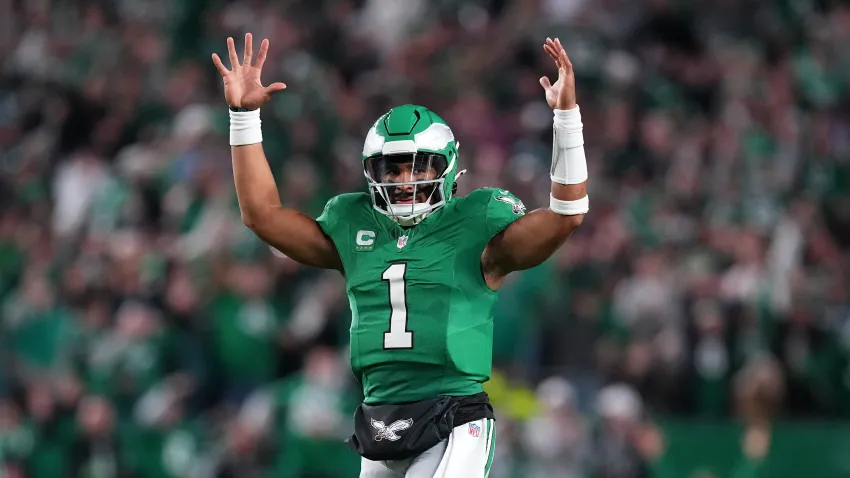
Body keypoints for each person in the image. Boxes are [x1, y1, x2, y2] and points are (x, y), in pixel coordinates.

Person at [211, 33, 588, 478]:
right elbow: (262, 215)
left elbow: (566, 215)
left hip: (453, 416)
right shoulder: (353, 223)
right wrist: (243, 117)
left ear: (446, 167)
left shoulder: (476, 221)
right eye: (393, 166)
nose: (406, 179)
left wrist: (567, 118)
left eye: (419, 165)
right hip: (380, 420)